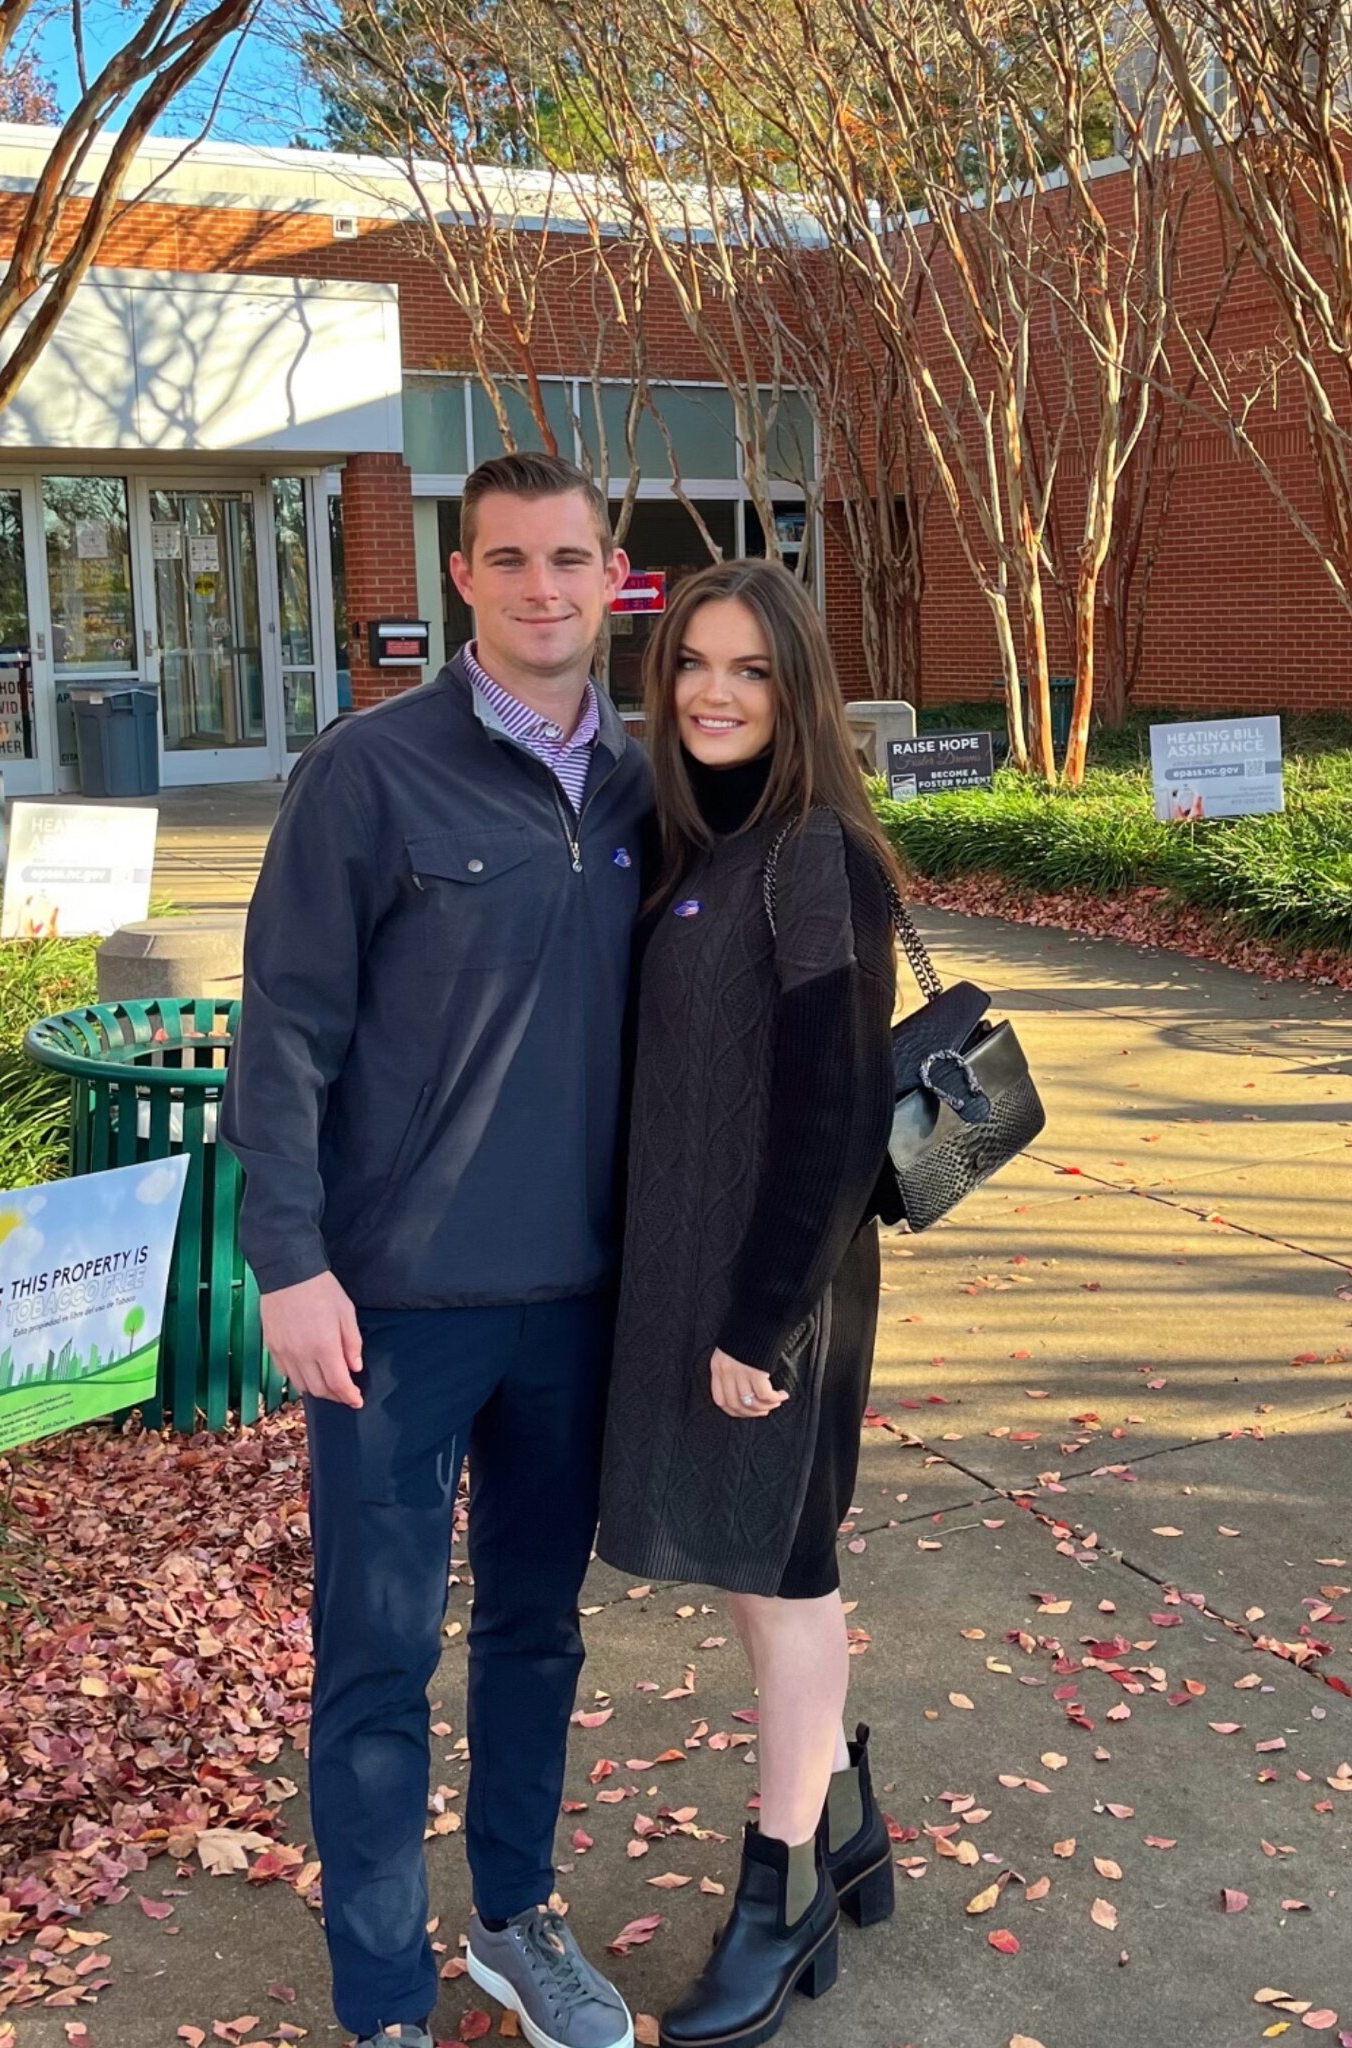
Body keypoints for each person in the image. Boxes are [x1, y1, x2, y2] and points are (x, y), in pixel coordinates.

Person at [221, 451, 654, 2048]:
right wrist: (288, 1261)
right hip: (391, 1309)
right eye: (511, 559)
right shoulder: (369, 773)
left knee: (539, 1628)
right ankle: (385, 1999)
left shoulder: (646, 784)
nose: (546, 586)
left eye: (574, 559)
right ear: (459, 579)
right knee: (379, 1659)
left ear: (615, 579)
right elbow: (284, 1034)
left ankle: (516, 1920)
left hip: (577, 1301)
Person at [594, 559, 900, 2048]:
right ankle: (842, 1821)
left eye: (751, 671)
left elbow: (837, 1110)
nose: (715, 691)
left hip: (779, 1293)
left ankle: (775, 1899)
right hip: (695, 1279)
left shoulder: (817, 858)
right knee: (753, 1568)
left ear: (798, 691)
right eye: (695, 664)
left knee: (786, 1581)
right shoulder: (699, 844)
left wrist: (761, 1323)